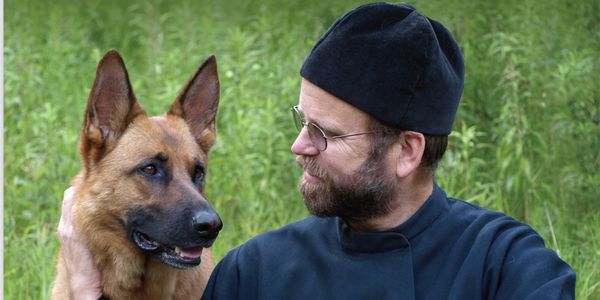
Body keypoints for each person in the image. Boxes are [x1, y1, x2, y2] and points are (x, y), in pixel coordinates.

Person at [59, 2, 575, 299]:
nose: (297, 145)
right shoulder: (253, 274)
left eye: (325, 133)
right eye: (301, 121)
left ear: (407, 152)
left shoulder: (506, 263)